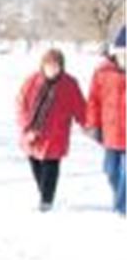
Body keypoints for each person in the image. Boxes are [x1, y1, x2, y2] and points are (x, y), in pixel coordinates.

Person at [15, 48, 86, 211]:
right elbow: (20, 104)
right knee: (35, 165)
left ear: (62, 66)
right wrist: (27, 127)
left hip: (56, 134)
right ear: (43, 65)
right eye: (49, 65)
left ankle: (46, 201)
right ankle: (44, 192)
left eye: (56, 66)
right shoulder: (32, 81)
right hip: (32, 133)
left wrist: (90, 125)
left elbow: (80, 107)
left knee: (50, 167)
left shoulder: (69, 84)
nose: (52, 69)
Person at [85, 26, 126, 215]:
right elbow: (93, 100)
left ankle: (122, 208)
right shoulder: (103, 72)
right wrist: (93, 125)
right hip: (111, 132)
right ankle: (120, 198)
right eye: (122, 52)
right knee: (110, 170)